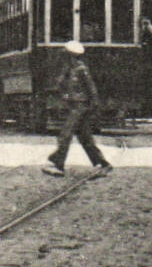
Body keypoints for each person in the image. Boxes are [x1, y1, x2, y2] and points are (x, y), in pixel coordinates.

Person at [43, 42, 112, 177]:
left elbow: (91, 88)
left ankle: (58, 164)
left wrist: (94, 105)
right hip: (76, 105)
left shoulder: (81, 69)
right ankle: (102, 164)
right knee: (85, 137)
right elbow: (61, 85)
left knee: (66, 134)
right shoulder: (71, 69)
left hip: (81, 106)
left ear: (71, 56)